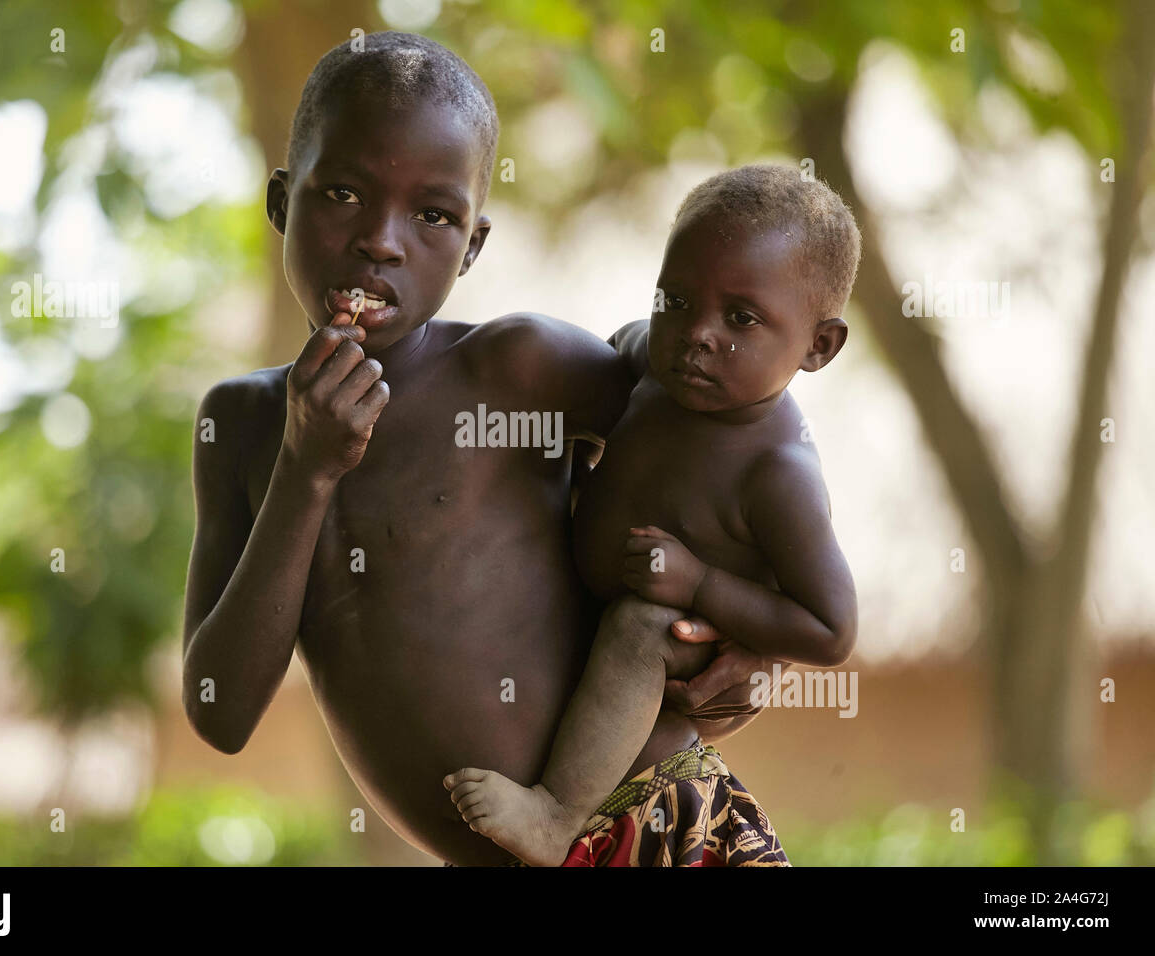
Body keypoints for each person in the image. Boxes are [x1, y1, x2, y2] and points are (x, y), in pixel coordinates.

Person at [181, 32, 774, 866]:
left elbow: (738, 431)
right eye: (342, 193)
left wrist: (764, 627)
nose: (382, 240)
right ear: (282, 203)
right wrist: (305, 470)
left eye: (433, 215)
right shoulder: (243, 426)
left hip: (662, 820)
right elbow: (220, 712)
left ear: (474, 246)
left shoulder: (521, 369)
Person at [445, 165, 862, 866]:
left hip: (683, 638)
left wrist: (701, 586)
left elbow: (831, 629)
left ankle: (554, 815)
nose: (696, 333)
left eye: (741, 318)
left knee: (641, 626)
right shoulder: (648, 364)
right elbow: (610, 348)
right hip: (596, 606)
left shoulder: (776, 473)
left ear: (818, 346)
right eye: (676, 299)